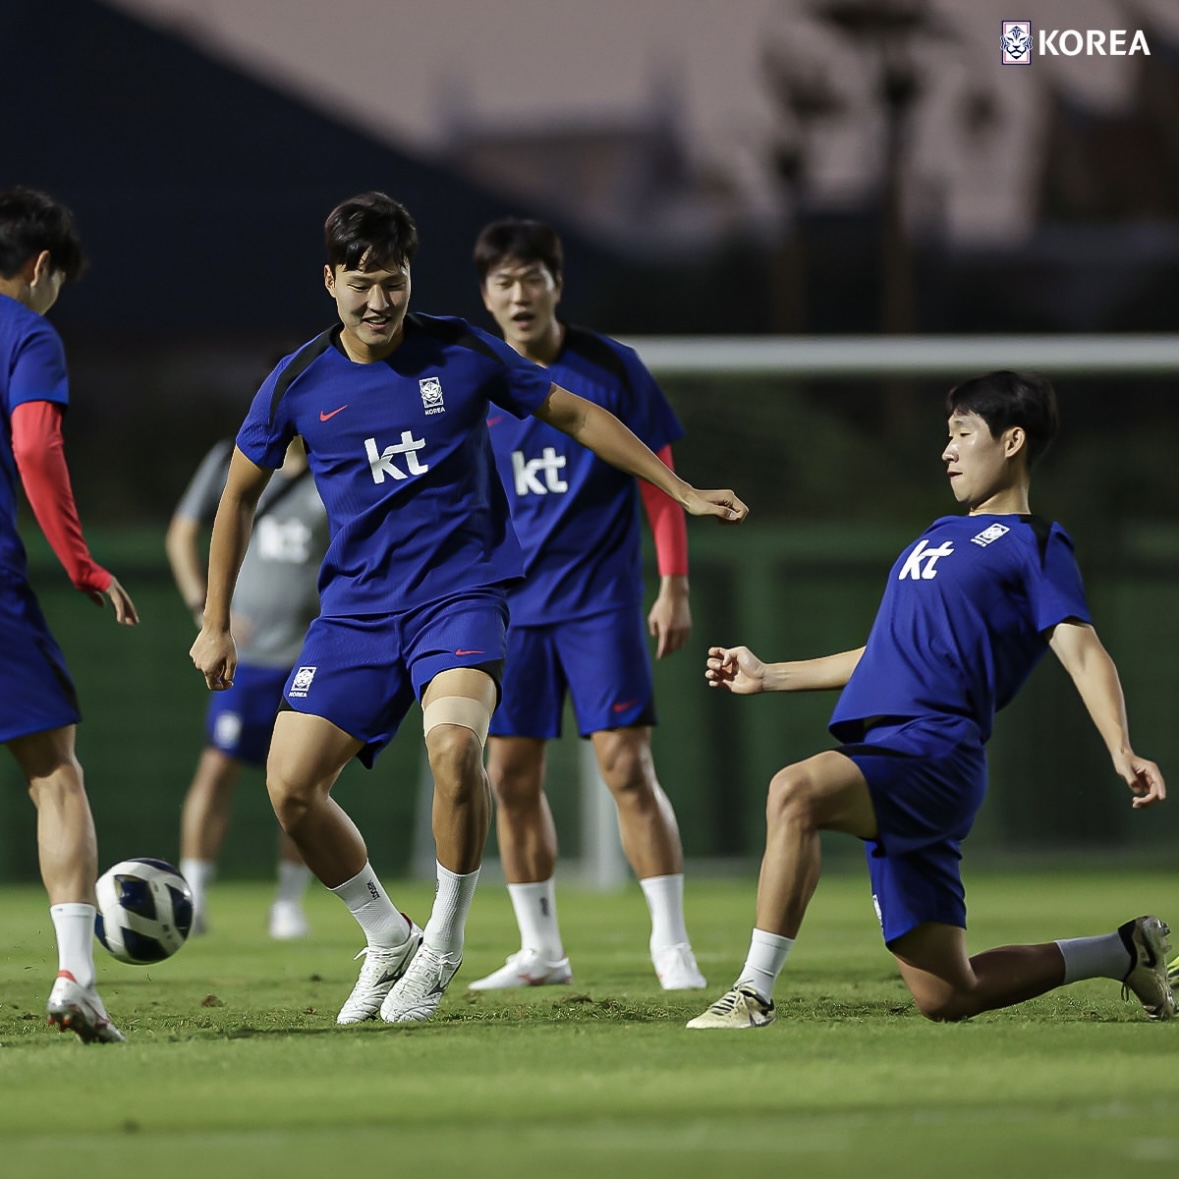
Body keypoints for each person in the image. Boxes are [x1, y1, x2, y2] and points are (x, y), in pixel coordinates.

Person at [189, 191, 747, 1026]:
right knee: (291, 788)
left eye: (396, 280)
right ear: (331, 280)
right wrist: (213, 618)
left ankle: (444, 945)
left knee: (458, 753)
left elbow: (577, 411)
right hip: (355, 616)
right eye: (364, 283)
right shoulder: (298, 381)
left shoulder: (459, 352)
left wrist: (677, 488)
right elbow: (235, 498)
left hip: (461, 597)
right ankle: (388, 935)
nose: (381, 301)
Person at [688, 371, 1173, 1029]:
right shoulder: (935, 534)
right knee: (948, 993)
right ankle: (1122, 951)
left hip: (934, 751)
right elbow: (883, 654)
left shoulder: (1035, 542)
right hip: (890, 754)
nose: (946, 450)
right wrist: (769, 674)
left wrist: (1121, 745)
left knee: (792, 789)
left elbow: (1081, 648)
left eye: (961, 433)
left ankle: (750, 991)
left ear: (1011, 441)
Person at [466, 218, 705, 992]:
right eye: (502, 281)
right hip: (509, 608)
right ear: (485, 295)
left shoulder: (610, 368)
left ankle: (671, 944)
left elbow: (659, 476)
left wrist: (673, 583)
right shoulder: (471, 375)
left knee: (625, 765)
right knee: (509, 773)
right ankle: (541, 950)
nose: (518, 293)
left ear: (555, 284)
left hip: (599, 602)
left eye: (531, 276)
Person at [0, 187, 139, 1044]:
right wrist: (80, 563)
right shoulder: (28, 331)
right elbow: (33, 445)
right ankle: (76, 978)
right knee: (55, 775)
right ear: (42, 267)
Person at [167, 434, 328, 938]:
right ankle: (193, 894)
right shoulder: (231, 458)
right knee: (217, 766)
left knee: (305, 779)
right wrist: (206, 611)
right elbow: (181, 534)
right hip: (249, 655)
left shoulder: (338, 458)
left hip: (309, 652)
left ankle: (287, 903)